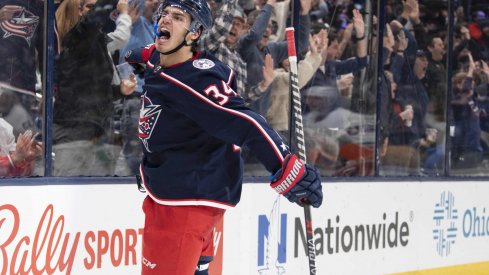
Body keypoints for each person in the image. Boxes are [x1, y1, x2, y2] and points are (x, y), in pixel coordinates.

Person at [124, 0, 323, 274]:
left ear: (194, 33)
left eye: (178, 17)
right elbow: (145, 54)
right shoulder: (163, 58)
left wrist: (288, 169)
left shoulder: (195, 82)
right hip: (194, 197)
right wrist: (136, 60)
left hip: (182, 208)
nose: (165, 21)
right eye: (164, 14)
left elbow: (247, 123)